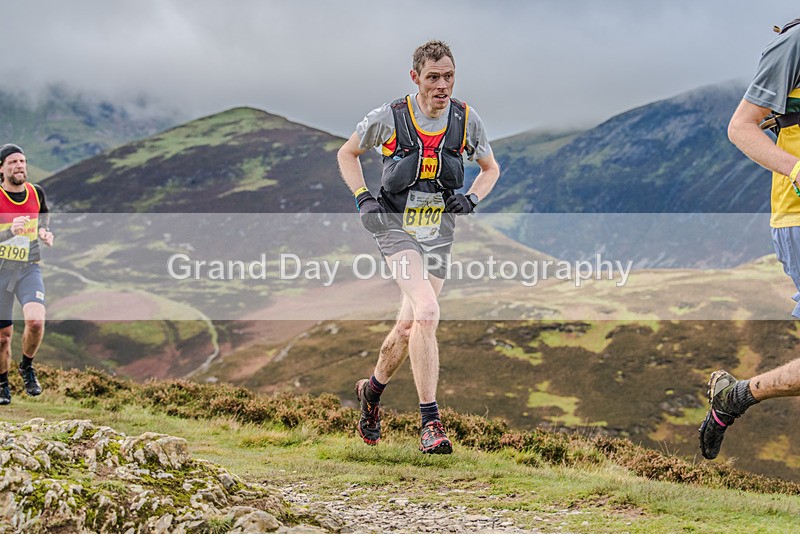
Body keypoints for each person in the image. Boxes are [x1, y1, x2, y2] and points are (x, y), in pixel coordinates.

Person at [337, 40, 501, 454]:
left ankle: (371, 393)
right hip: (394, 227)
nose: (442, 85)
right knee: (427, 310)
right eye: (433, 77)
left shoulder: (466, 120)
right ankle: (430, 424)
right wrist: (362, 198)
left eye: (449, 76)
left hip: (438, 231)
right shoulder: (390, 117)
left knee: (411, 326)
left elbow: (490, 168)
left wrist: (472, 198)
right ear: (415, 78)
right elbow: (347, 153)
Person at [700, 18, 800, 459]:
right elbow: (741, 126)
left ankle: (735, 396)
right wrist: (796, 169)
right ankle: (736, 396)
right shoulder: (795, 43)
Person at [0, 144, 54, 405]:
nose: (19, 165)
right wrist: (10, 231)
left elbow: (43, 214)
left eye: (22, 161)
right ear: (1, 169)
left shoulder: (36, 192)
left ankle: (26, 367)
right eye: (12, 162)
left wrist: (43, 231)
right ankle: (2, 383)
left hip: (28, 267)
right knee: (3, 337)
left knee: (35, 322)